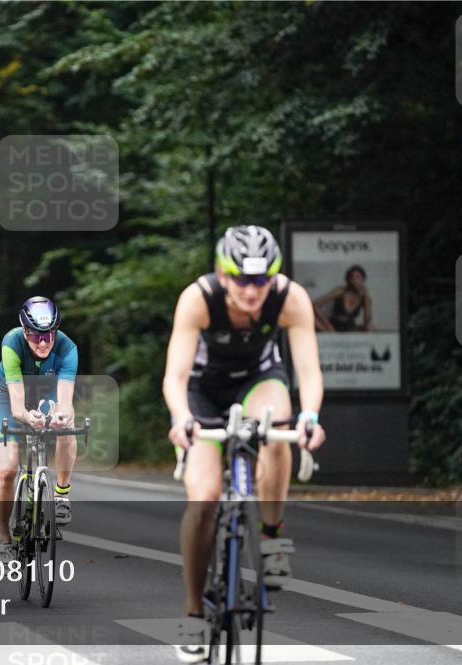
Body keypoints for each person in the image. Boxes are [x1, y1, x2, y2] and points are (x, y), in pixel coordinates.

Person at [162, 225, 327, 663]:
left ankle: (271, 535)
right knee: (204, 500)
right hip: (203, 391)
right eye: (241, 279)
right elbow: (175, 376)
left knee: (277, 426)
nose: (251, 291)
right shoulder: (198, 298)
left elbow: (308, 371)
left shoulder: (290, 298)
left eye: (261, 280)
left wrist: (310, 416)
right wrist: (181, 419)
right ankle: (194, 612)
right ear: (222, 272)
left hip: (260, 382)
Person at [0, 296, 79, 564]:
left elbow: (64, 399)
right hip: (8, 394)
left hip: (45, 390)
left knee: (69, 424)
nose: (43, 342)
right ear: (25, 331)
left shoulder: (68, 348)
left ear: (56, 331)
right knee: (7, 469)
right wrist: (28, 417)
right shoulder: (12, 343)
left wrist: (61, 415)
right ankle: (3, 536)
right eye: (35, 335)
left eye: (48, 335)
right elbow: (17, 404)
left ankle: (61, 494)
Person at [313, 264, 373, 332]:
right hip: (334, 325)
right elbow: (315, 304)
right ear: (348, 280)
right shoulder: (341, 291)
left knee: (370, 327)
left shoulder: (365, 297)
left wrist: (366, 296)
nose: (355, 280)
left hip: (350, 326)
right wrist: (326, 323)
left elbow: (367, 320)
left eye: (358, 277)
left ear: (363, 279)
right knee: (313, 320)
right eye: (352, 277)